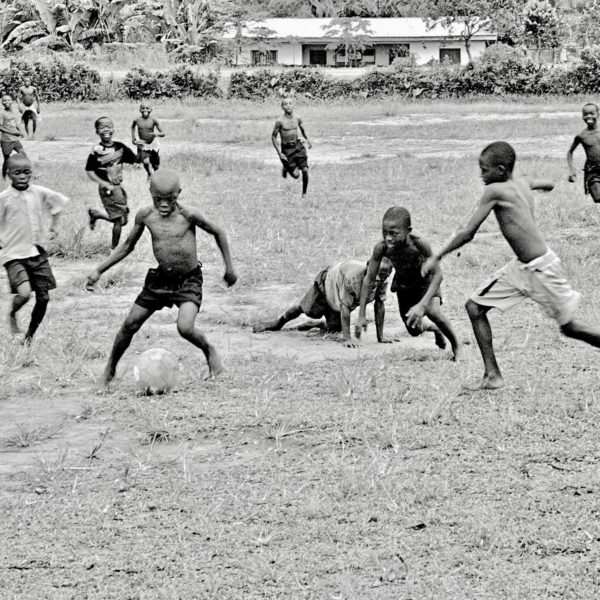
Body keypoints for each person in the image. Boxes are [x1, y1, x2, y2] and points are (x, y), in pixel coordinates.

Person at [423, 141, 600, 390]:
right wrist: (541, 185)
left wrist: (437, 256)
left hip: (541, 269)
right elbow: (543, 184)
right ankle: (492, 375)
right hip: (522, 267)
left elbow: (468, 232)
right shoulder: (519, 183)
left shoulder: (494, 190)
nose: (481, 175)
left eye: (485, 169)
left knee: (570, 328)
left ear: (501, 169)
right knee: (474, 307)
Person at [86, 170, 237, 386]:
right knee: (129, 324)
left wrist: (229, 268)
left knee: (185, 327)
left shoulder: (189, 215)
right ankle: (110, 368)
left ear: (179, 194)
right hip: (160, 280)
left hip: (188, 280)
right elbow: (128, 246)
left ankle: (209, 350)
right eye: (158, 200)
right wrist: (99, 269)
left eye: (170, 199)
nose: (164, 205)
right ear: (150, 194)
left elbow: (218, 232)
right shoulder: (146, 215)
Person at [356, 207, 461, 359]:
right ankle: (436, 329)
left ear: (408, 231)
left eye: (394, 233)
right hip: (404, 288)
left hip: (426, 284)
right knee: (414, 330)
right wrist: (361, 315)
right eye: (384, 232)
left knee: (433, 312)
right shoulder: (382, 248)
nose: (388, 238)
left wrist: (422, 305)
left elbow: (438, 275)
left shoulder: (419, 244)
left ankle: (457, 346)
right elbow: (369, 279)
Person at [0, 155, 69, 343]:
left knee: (44, 297)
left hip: (36, 252)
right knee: (24, 294)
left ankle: (29, 336)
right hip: (13, 254)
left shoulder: (39, 192)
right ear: (8, 175)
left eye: (26, 172)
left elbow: (57, 203)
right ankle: (12, 314)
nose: (22, 176)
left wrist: (54, 226)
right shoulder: (4, 198)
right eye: (17, 173)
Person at [253, 258, 392, 347]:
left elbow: (379, 305)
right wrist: (347, 339)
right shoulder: (353, 278)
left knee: (335, 328)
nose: (379, 279)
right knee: (304, 307)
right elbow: (345, 307)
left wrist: (381, 337)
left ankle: (316, 324)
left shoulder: (381, 282)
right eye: (376, 274)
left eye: (385, 275)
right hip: (326, 284)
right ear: (368, 266)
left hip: (338, 296)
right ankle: (278, 323)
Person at [85, 117, 137, 249]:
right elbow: (90, 171)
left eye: (109, 126)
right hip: (107, 189)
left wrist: (144, 148)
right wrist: (103, 183)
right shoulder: (97, 151)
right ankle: (114, 250)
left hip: (119, 187)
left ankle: (96, 214)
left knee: (123, 220)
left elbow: (136, 160)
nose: (106, 129)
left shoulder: (120, 147)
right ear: (97, 131)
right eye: (102, 127)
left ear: (113, 129)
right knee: (119, 220)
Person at [271, 97, 312, 197]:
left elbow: (302, 129)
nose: (288, 105)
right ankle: (286, 167)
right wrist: (279, 153)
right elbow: (273, 136)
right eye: (285, 104)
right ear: (282, 107)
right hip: (287, 150)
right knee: (296, 175)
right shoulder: (279, 121)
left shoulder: (297, 118)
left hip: (298, 146)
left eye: (290, 103)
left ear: (293, 105)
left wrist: (307, 139)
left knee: (305, 170)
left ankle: (304, 194)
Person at [131, 103, 165, 178]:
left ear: (151, 110)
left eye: (147, 108)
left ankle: (157, 176)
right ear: (140, 110)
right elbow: (132, 126)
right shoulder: (137, 120)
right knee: (145, 162)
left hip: (153, 143)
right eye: (143, 108)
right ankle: (149, 174)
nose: (145, 110)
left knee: (155, 164)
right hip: (143, 143)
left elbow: (163, 133)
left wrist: (156, 134)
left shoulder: (153, 120)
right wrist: (133, 138)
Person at [0, 94, 26, 180]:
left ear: (12, 101)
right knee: (7, 159)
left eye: (8, 100)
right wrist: (14, 132)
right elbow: (0, 127)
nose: (7, 102)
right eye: (4, 100)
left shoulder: (14, 111)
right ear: (2, 102)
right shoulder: (1, 113)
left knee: (23, 154)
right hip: (6, 140)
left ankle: (25, 174)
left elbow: (16, 123)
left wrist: (20, 131)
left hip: (15, 140)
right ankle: (4, 177)